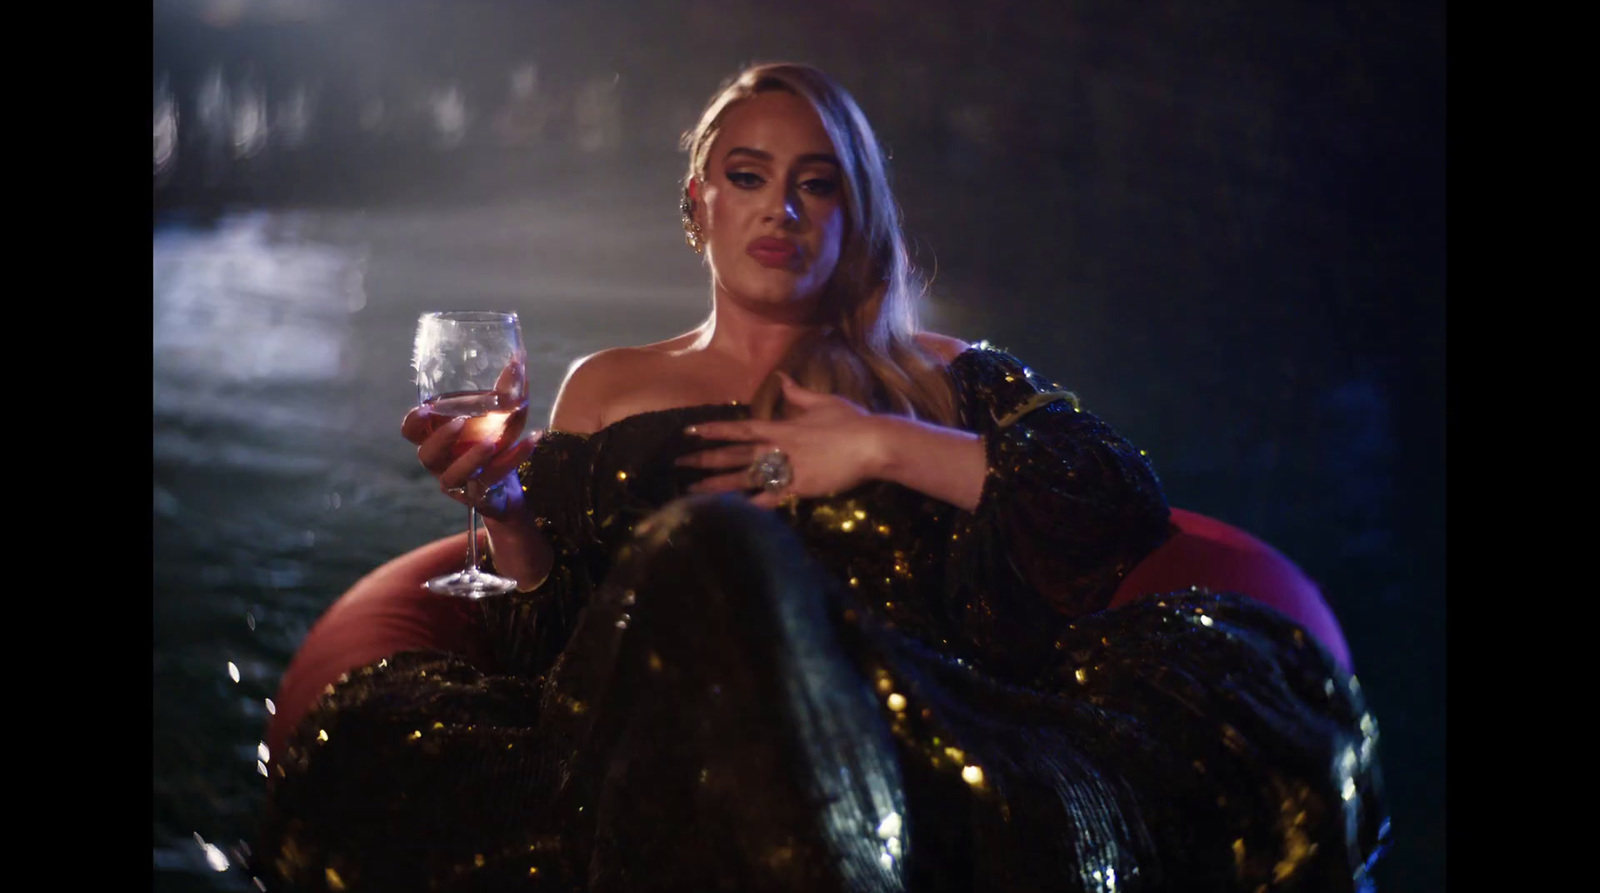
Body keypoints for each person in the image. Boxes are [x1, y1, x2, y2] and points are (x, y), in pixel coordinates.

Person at [258, 63, 1387, 892]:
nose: (782, 209)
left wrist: (875, 446)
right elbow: (555, 622)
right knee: (700, 567)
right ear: (698, 205)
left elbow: (1112, 498)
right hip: (653, 736)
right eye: (748, 177)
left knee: (727, 554)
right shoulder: (606, 386)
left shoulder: (939, 375)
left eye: (818, 185)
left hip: (907, 742)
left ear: (857, 218)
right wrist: (504, 509)